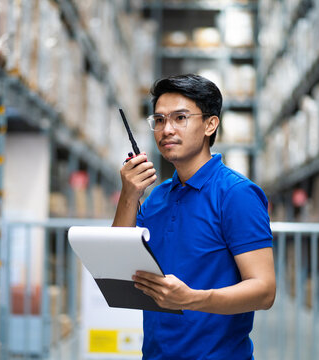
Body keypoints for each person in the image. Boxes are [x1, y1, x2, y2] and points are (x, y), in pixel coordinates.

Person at [112, 74, 276, 359]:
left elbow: (264, 291)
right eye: (159, 120)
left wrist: (192, 299)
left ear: (210, 124)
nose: (167, 129)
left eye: (180, 118)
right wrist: (129, 195)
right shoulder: (157, 197)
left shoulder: (236, 195)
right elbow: (116, 263)